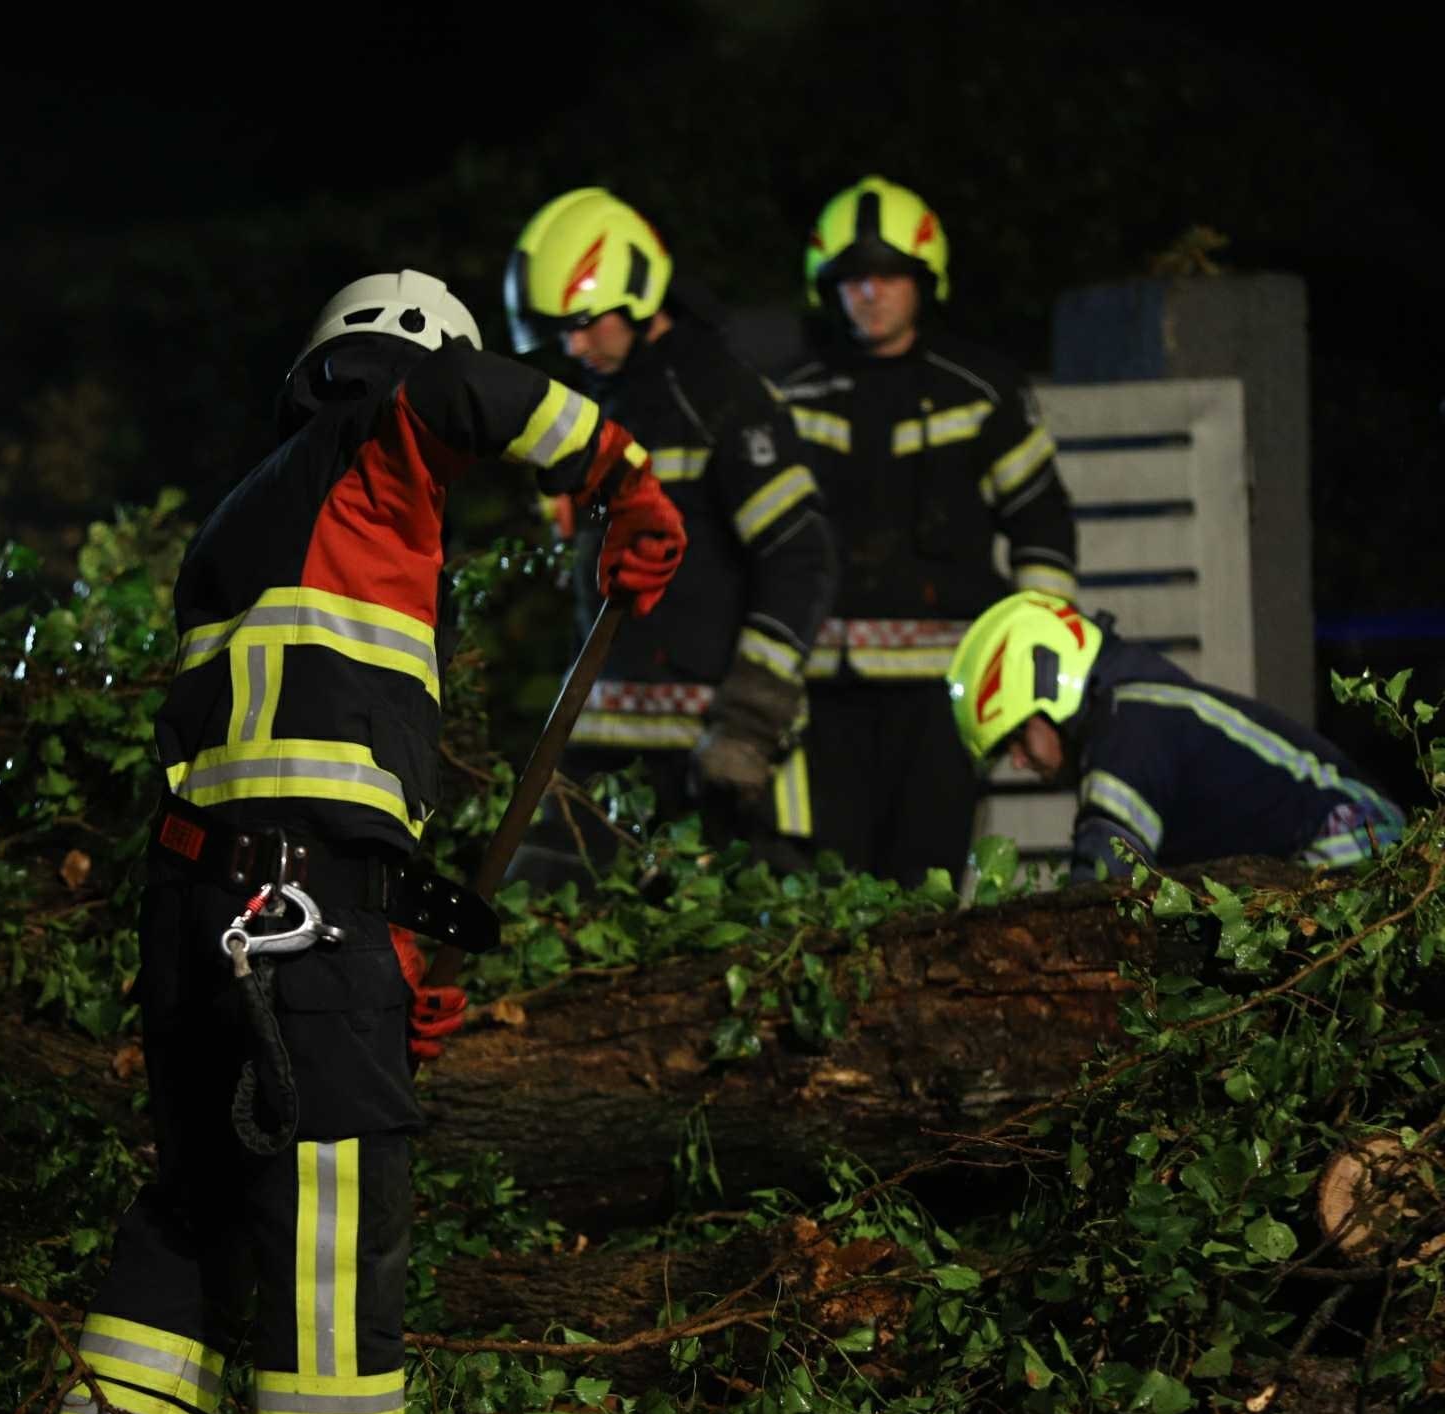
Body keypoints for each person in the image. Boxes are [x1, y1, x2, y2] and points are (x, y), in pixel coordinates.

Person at [0, 270, 686, 1414]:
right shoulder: (377, 449)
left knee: (202, 1195)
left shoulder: (249, 517)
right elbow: (463, 393)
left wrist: (401, 939)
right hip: (296, 912)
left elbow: (302, 767)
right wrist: (623, 478)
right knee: (334, 1199)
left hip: (201, 908)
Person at [503, 186, 837, 885]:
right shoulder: (595, 404)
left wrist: (751, 716)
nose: (573, 345)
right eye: (562, 329)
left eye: (585, 322)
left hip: (717, 760)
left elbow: (801, 557)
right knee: (530, 906)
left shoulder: (721, 397)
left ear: (640, 297)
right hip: (602, 755)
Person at [775, 175, 1078, 888]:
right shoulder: (791, 398)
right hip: (824, 698)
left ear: (924, 281)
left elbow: (1044, 535)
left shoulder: (981, 393)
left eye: (889, 276)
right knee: (829, 893)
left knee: (929, 893)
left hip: (947, 698)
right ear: (828, 289)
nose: (870, 293)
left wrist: (1035, 689)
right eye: (852, 278)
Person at [946, 590, 1407, 880]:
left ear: (1049, 685)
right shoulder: (1136, 710)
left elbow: (1101, 892)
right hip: (1351, 845)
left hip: (1354, 847)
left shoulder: (1128, 730)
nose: (1019, 761)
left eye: (1017, 738)